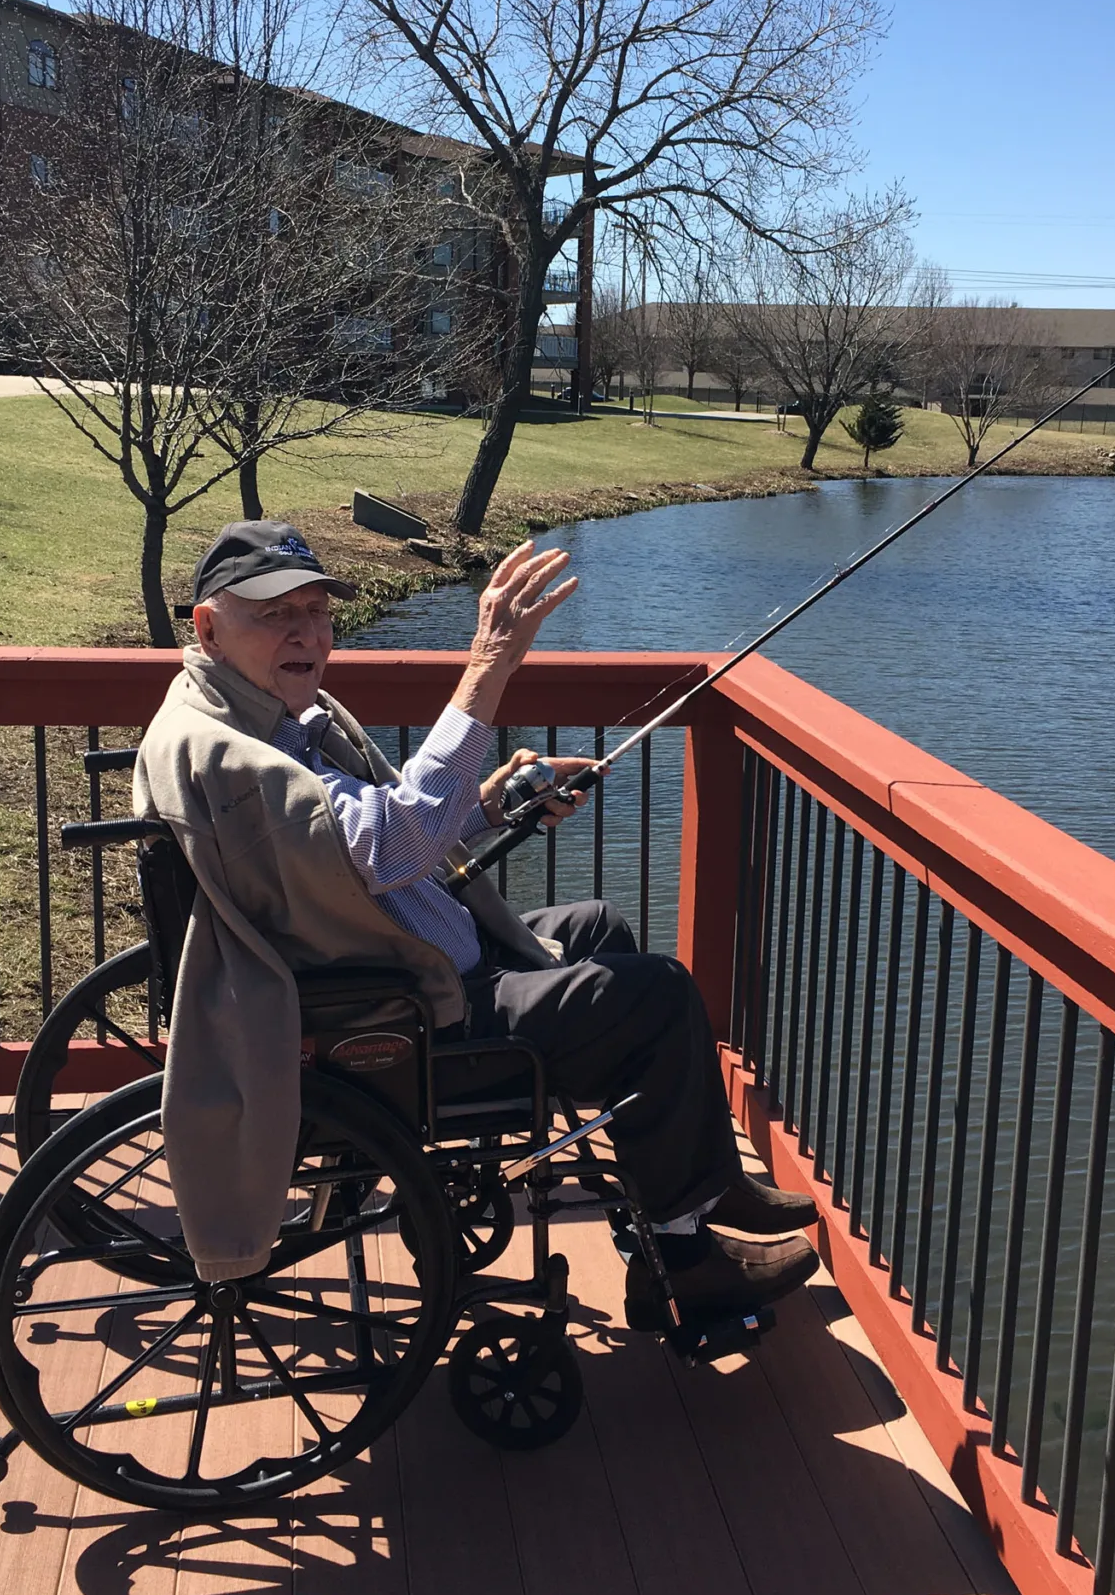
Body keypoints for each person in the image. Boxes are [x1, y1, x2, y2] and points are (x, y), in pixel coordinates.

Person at [135, 518, 818, 1325]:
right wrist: (489, 667)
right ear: (208, 625)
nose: (308, 632)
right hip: (403, 1017)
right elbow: (392, 841)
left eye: (317, 610)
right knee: (660, 993)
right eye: (276, 613)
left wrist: (493, 800)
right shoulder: (234, 754)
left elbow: (365, 843)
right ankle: (685, 1254)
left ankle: (688, 1192)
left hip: (386, 962)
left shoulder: (256, 716)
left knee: (599, 928)